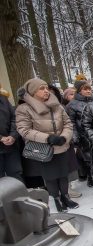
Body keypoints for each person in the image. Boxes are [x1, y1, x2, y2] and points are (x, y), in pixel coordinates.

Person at [16, 78, 78, 212]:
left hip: (62, 145)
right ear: (33, 91)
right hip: (43, 149)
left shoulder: (57, 105)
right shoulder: (24, 108)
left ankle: (66, 197)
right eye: (41, 88)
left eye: (46, 88)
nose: (46, 91)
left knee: (63, 174)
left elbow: (68, 123)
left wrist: (64, 137)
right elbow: (24, 130)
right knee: (50, 176)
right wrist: (48, 138)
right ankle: (56, 198)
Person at [66, 80, 93, 187]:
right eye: (85, 89)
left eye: (89, 89)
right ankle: (90, 176)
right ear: (79, 91)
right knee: (87, 157)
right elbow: (71, 122)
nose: (88, 91)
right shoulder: (72, 105)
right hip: (83, 134)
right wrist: (75, 135)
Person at [0, 88, 22, 182]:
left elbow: (14, 118)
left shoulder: (3, 99)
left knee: (16, 175)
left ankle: (20, 196)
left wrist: (13, 135)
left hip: (10, 146)